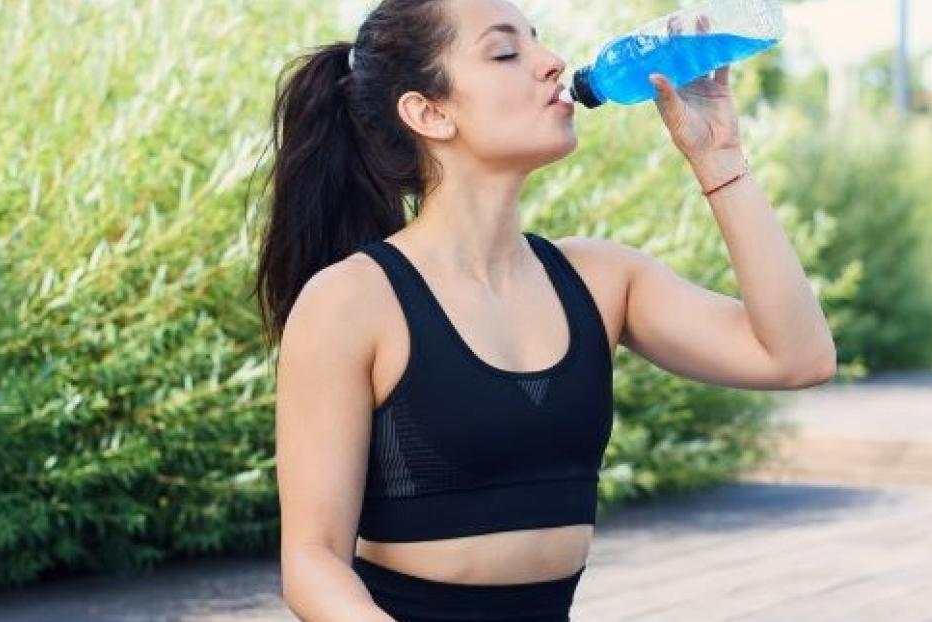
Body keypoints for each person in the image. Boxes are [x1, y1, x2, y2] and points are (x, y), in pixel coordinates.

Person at [254, 0, 835, 619]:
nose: (553, 63)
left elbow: (797, 356)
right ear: (429, 111)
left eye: (538, 42)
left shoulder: (601, 279)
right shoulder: (353, 301)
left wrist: (720, 160)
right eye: (506, 52)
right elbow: (312, 562)